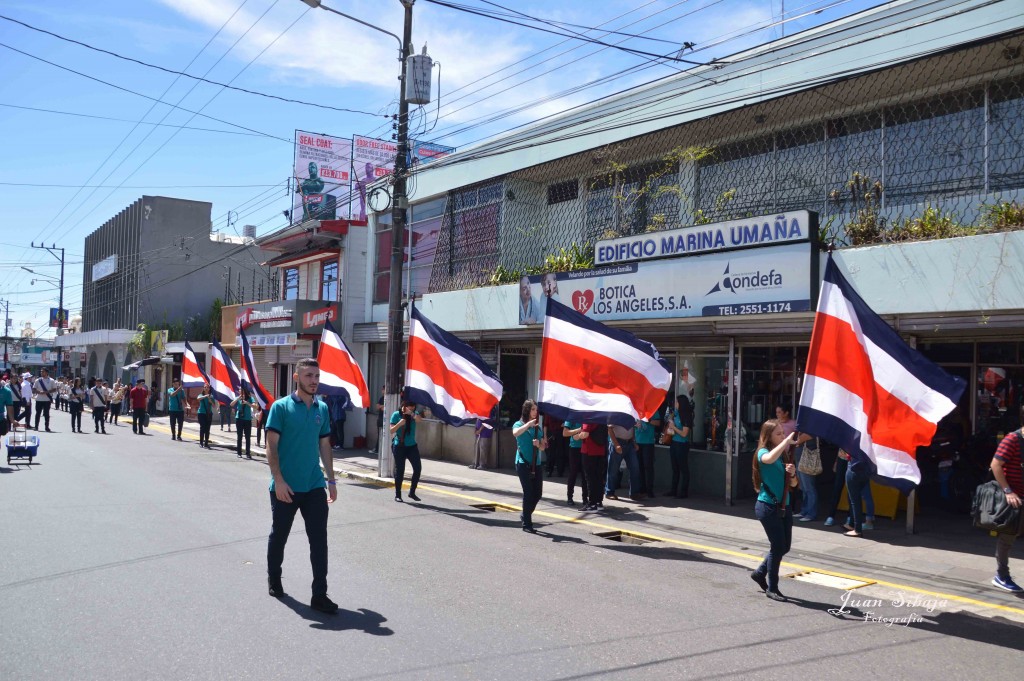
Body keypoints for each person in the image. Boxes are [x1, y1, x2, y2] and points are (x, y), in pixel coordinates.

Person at [265, 357, 339, 614]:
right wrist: (279, 480)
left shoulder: (322, 409)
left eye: (316, 376)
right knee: (280, 536)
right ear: (296, 377)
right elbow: (271, 447)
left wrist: (330, 480)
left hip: (314, 485)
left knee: (319, 541)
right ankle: (274, 579)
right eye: (308, 376)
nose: (314, 381)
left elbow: (324, 445)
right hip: (286, 487)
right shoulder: (281, 407)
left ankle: (319, 594)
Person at [750, 419, 799, 602]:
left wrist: (792, 473)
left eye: (783, 433)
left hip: (784, 507)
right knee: (777, 546)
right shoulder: (763, 452)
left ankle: (759, 573)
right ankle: (773, 587)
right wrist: (787, 443)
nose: (782, 436)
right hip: (767, 506)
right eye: (778, 434)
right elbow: (768, 459)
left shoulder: (784, 456)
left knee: (784, 546)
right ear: (768, 436)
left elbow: (793, 484)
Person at [990, 406, 1024, 592]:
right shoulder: (1013, 439)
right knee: (1007, 538)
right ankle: (1001, 575)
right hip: (1016, 499)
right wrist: (1008, 491)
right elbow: (995, 465)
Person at [512, 400, 547, 533]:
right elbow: (515, 433)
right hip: (522, 463)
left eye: (536, 410)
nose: (535, 412)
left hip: (536, 464)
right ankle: (527, 523)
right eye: (533, 409)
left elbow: (543, 447)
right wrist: (528, 424)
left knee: (537, 493)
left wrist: (539, 445)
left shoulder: (537, 428)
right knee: (528, 493)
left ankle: (525, 514)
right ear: (527, 410)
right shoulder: (519, 424)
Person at [389, 399, 423, 502]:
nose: (412, 408)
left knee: (417, 468)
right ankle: (398, 495)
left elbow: (419, 420)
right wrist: (399, 424)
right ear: (404, 405)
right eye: (409, 406)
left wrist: (411, 413)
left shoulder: (414, 414)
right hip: (399, 446)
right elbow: (391, 430)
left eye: (413, 406)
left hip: (412, 446)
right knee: (400, 471)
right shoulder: (396, 415)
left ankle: (412, 492)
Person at [607, 419, 644, 501]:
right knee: (613, 469)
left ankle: (634, 493)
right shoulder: (616, 413)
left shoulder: (631, 413)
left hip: (629, 443)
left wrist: (634, 442)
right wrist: (616, 445)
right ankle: (609, 492)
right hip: (618, 442)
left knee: (635, 468)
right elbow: (609, 429)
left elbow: (632, 430)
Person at [665, 395, 693, 498]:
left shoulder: (686, 416)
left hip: (682, 444)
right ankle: (673, 490)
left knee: (683, 468)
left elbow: (684, 433)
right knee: (675, 468)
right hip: (674, 443)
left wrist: (674, 428)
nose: (675, 404)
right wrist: (671, 419)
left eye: (677, 402)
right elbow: (669, 418)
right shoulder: (676, 414)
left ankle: (684, 492)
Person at [580, 422, 608, 511]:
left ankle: (592, 503)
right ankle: (599, 501)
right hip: (600, 450)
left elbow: (585, 433)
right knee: (599, 477)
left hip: (589, 450)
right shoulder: (601, 416)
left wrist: (577, 436)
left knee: (590, 478)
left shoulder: (588, 417)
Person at [563, 420, 588, 507]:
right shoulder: (571, 416)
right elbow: (565, 433)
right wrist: (578, 430)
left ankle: (585, 498)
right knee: (573, 472)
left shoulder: (586, 416)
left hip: (586, 447)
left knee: (585, 474)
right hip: (574, 447)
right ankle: (569, 497)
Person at [824, 449, 851, 526]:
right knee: (837, 487)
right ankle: (831, 516)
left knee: (851, 489)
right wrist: (836, 461)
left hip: (853, 459)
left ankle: (850, 517)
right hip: (841, 458)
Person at [232, 387, 256, 459]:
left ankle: (248, 453)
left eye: (241, 390)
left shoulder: (250, 398)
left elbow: (255, 406)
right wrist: (238, 398)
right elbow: (231, 404)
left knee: (247, 437)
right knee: (239, 436)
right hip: (239, 419)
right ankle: (239, 452)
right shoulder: (238, 397)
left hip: (247, 419)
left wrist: (247, 403)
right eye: (239, 390)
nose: (240, 391)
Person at [33, 368, 56, 432]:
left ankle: (47, 427)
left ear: (46, 372)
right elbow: (34, 389)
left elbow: (54, 389)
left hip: (47, 400)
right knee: (38, 413)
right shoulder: (38, 380)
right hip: (39, 399)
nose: (41, 373)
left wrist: (47, 392)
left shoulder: (51, 380)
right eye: (41, 372)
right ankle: (36, 426)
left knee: (46, 414)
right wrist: (39, 392)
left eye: (43, 372)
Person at [195, 384, 215, 449]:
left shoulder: (211, 396)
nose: (206, 388)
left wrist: (210, 400)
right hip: (201, 413)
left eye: (207, 387)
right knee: (202, 427)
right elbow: (198, 399)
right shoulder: (201, 395)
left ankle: (206, 443)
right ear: (203, 388)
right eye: (205, 387)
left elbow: (214, 405)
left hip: (209, 414)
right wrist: (205, 396)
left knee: (207, 429)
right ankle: (201, 442)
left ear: (209, 389)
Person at [368, 385, 384, 455]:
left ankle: (379, 449)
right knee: (380, 434)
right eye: (382, 389)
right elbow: (377, 407)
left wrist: (382, 406)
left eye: (383, 389)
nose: (382, 391)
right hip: (380, 418)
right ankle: (377, 449)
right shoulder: (381, 398)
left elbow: (384, 408)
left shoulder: (391, 398)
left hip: (387, 419)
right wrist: (382, 406)